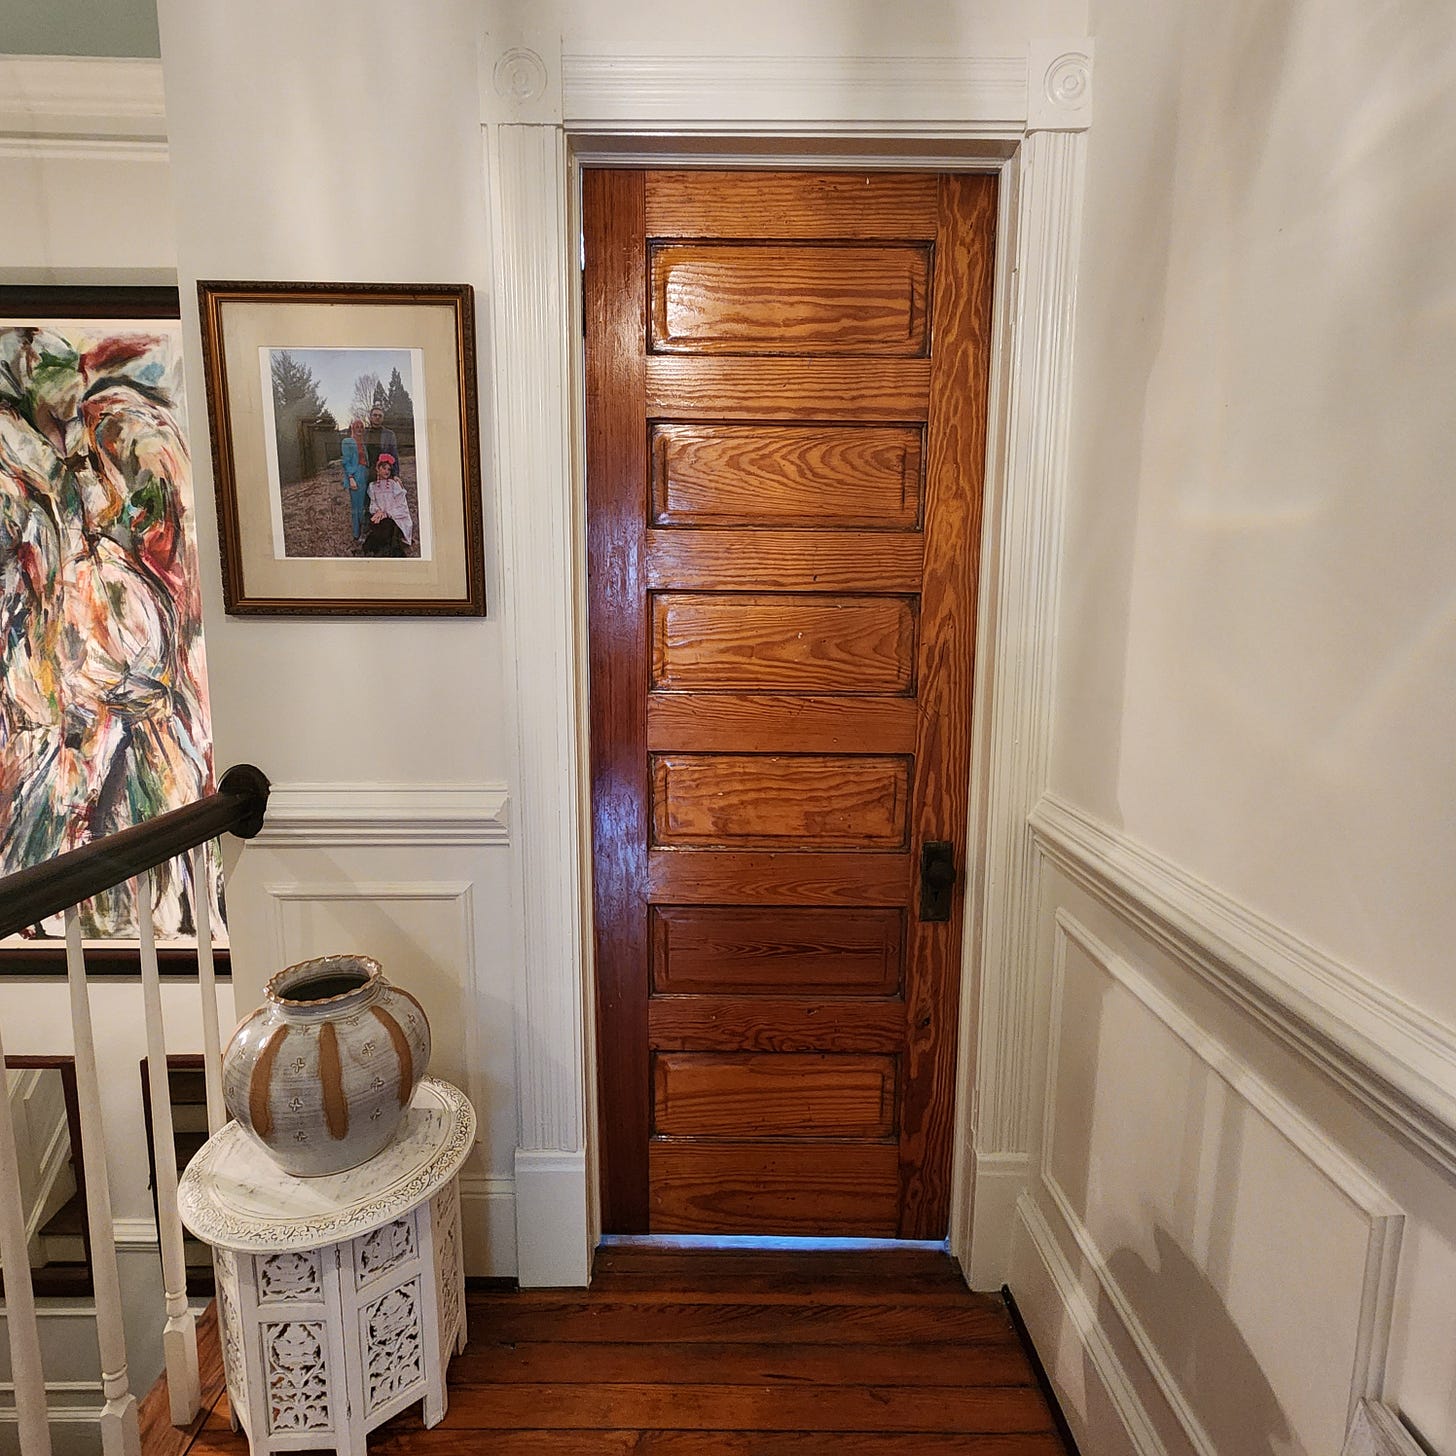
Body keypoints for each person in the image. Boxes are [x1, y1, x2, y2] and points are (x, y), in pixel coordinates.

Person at [361, 454, 413, 557]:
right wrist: (378, 511)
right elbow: (373, 504)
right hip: (381, 516)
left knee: (388, 527)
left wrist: (387, 513)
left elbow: (401, 505)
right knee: (376, 526)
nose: (386, 471)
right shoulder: (373, 486)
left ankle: (390, 547)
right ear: (377, 468)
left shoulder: (394, 485)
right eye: (384, 468)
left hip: (396, 516)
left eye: (389, 469)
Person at [340, 418, 371, 541]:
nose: (359, 429)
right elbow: (346, 462)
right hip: (356, 473)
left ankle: (364, 530)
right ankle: (356, 534)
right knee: (356, 505)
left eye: (361, 426)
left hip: (365, 473)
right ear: (352, 428)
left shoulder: (362, 443)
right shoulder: (347, 441)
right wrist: (351, 478)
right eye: (356, 426)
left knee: (364, 504)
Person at [363, 403, 399, 476]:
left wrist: (395, 474)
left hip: (384, 472)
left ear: (383, 418)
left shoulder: (389, 434)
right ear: (370, 417)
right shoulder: (364, 434)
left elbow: (394, 455)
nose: (377, 417)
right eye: (375, 415)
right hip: (368, 472)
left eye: (380, 416)